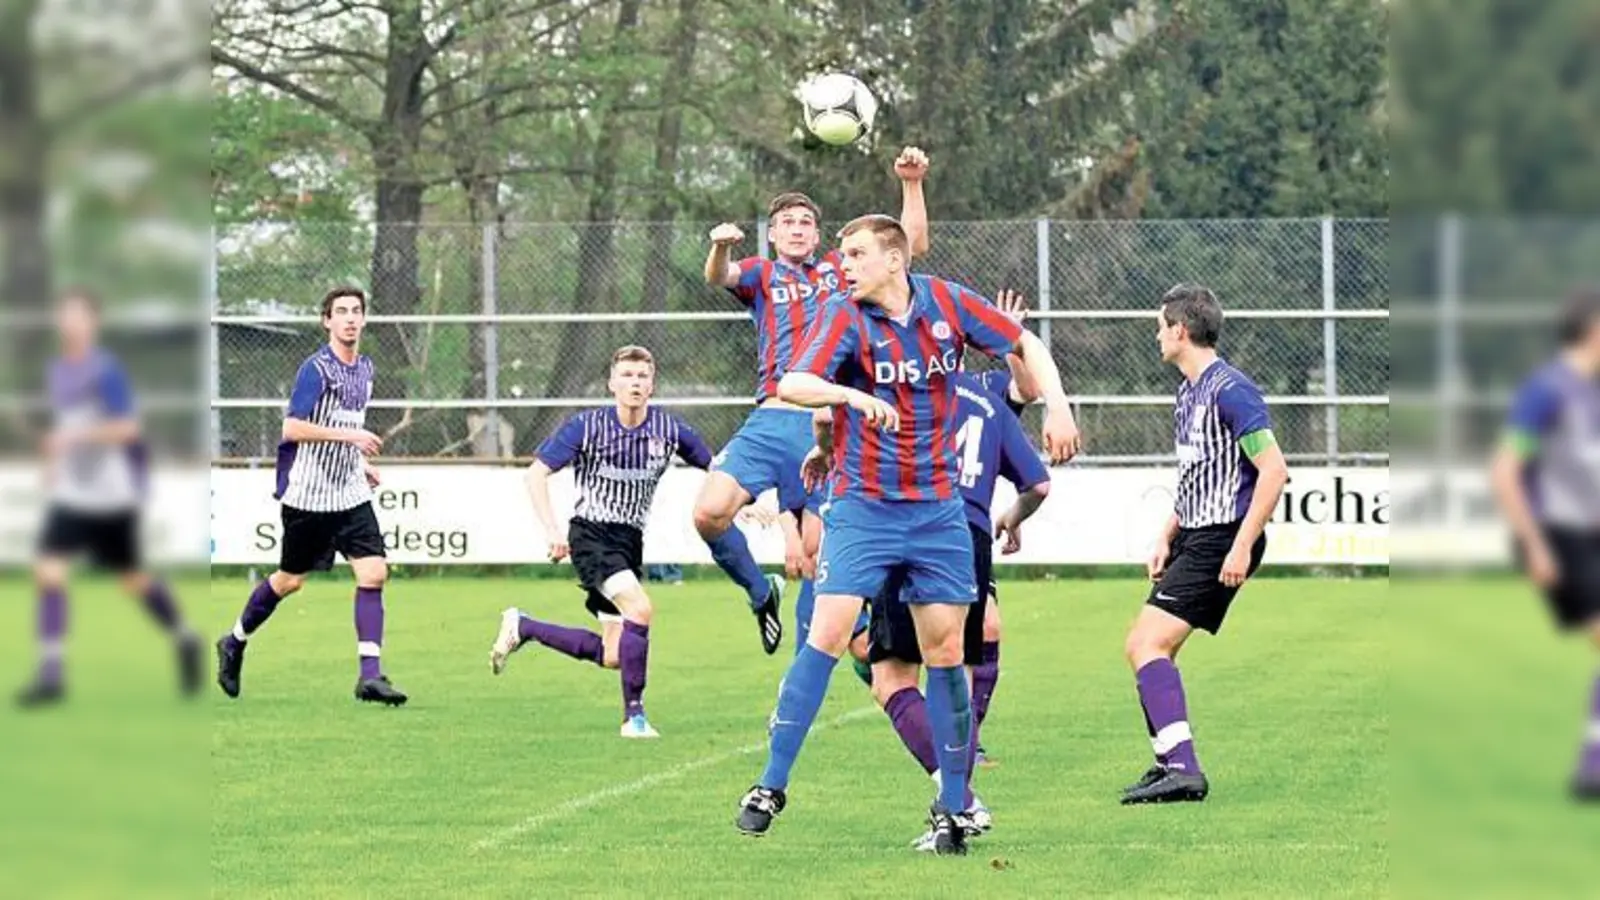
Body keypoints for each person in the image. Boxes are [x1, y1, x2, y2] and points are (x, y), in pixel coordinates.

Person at [734, 214, 1079, 855]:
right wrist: (852, 401)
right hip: (864, 507)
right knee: (830, 633)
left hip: (938, 511)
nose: (845, 263)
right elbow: (792, 383)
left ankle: (952, 809)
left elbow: (1026, 344)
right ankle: (770, 785)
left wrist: (1057, 405)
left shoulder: (946, 302)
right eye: (842, 254)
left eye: (857, 253)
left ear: (895, 259)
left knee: (946, 653)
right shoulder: (843, 314)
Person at [695, 149, 932, 655]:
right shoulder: (761, 274)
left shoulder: (839, 270)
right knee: (708, 514)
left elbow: (907, 248)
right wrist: (719, 247)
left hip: (828, 417)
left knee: (813, 553)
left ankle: (824, 662)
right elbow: (720, 276)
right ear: (773, 235)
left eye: (805, 222)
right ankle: (761, 594)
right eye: (787, 223)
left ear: (818, 235)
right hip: (772, 417)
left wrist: (911, 184)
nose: (797, 229)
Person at [808, 370, 1052, 849]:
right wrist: (1010, 519)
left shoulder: (900, 389)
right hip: (973, 537)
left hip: (915, 526)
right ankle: (954, 817)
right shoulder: (986, 400)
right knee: (953, 672)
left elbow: (826, 418)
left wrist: (824, 449)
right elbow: (1038, 486)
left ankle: (960, 801)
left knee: (892, 680)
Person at [489, 346, 713, 739]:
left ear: (652, 384)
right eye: (627, 375)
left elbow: (717, 468)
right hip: (591, 536)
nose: (635, 383)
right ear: (612, 383)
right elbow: (535, 474)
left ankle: (524, 626)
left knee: (614, 655)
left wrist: (742, 504)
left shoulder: (669, 429)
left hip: (628, 542)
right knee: (641, 610)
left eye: (642, 376)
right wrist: (552, 531)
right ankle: (635, 717)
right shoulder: (587, 426)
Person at [1120, 284, 1289, 805]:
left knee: (1147, 644)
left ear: (1180, 330)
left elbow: (1274, 471)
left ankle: (1183, 769)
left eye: (1160, 325)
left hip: (1221, 539)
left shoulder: (1229, 390)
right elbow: (1197, 474)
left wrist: (1241, 545)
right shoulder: (1188, 392)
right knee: (1146, 647)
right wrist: (1167, 534)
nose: (1156, 334)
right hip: (1196, 536)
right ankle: (1169, 761)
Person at [215, 286, 402, 705]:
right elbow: (293, 428)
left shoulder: (366, 369)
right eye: (341, 312)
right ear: (327, 321)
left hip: (350, 494)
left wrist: (359, 462)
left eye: (357, 311)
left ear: (365, 319)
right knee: (289, 581)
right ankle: (234, 640)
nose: (350, 318)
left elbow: (345, 425)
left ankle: (369, 677)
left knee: (373, 573)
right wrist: (351, 437)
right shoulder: (315, 369)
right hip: (310, 497)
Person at [15, 289, 201, 707]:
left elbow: (126, 429)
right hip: (71, 495)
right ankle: (50, 675)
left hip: (110, 497)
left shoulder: (106, 371)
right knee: (49, 573)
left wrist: (73, 437)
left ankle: (184, 637)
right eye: (65, 315)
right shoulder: (58, 371)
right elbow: (66, 427)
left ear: (93, 322)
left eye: (79, 315)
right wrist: (56, 463)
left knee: (133, 581)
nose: (71, 323)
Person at [1489, 289, 1600, 800]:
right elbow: (1507, 470)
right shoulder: (1548, 391)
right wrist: (1533, 544)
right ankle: (1591, 765)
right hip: (1561, 536)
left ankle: (1592, 762)